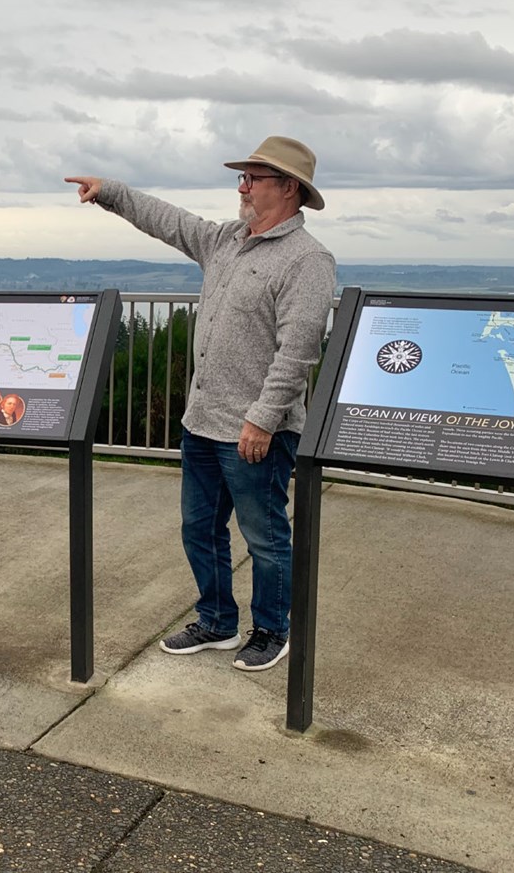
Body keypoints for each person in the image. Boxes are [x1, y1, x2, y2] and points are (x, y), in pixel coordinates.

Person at [65, 137, 335, 672]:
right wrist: (111, 192)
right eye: (243, 177)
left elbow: (298, 351)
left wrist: (261, 420)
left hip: (256, 432)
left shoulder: (308, 260)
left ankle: (272, 631)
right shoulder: (226, 241)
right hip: (202, 423)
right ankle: (216, 621)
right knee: (199, 529)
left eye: (253, 178)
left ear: (289, 188)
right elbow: (169, 220)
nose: (242, 186)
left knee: (265, 537)